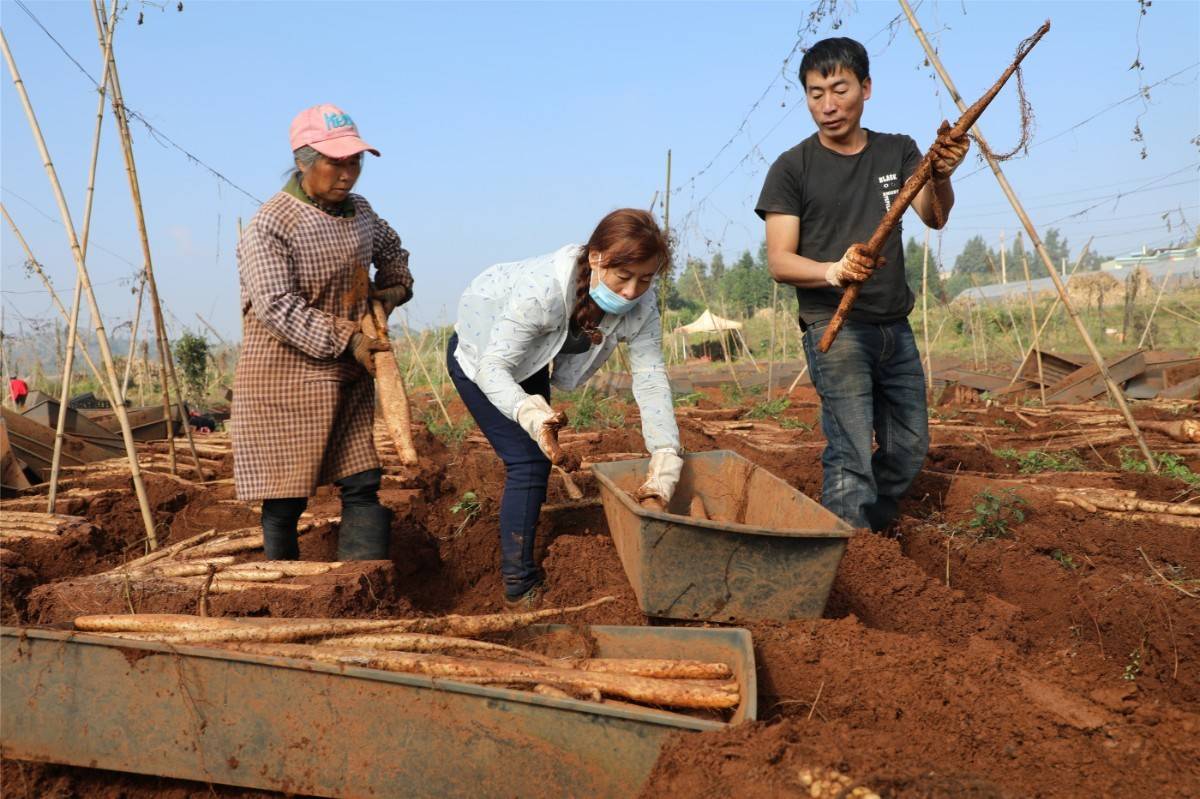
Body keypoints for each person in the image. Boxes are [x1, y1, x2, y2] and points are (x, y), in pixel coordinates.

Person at [756, 37, 969, 532]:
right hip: (835, 326)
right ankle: (850, 552)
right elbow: (779, 260)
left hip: (894, 324)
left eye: (839, 89)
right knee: (851, 449)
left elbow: (934, 216)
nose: (827, 105)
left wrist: (939, 174)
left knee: (910, 444)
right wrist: (832, 271)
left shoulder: (898, 151)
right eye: (814, 94)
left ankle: (873, 520)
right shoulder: (793, 168)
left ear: (865, 88)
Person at [448, 209, 683, 606]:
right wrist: (529, 412)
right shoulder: (542, 293)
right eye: (622, 277)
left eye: (645, 279)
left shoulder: (642, 306)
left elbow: (651, 376)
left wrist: (665, 455)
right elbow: (494, 368)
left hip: (533, 360)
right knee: (527, 462)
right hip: (481, 360)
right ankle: (519, 586)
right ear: (595, 257)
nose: (631, 292)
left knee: (536, 458)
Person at [232, 104, 413, 561]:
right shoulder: (272, 224)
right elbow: (277, 306)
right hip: (286, 376)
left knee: (362, 480)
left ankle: (365, 582)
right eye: (336, 162)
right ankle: (285, 584)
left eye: (355, 161)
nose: (348, 173)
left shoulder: (362, 212)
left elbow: (391, 248)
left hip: (349, 373)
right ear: (303, 162)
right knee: (285, 496)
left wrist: (393, 287)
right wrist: (349, 339)